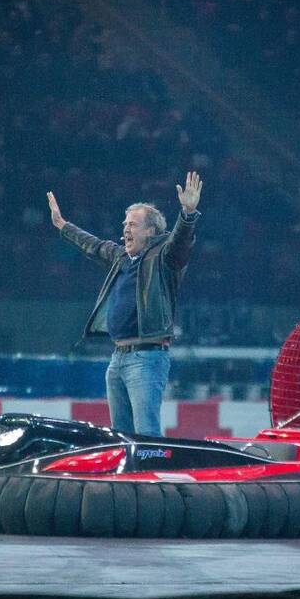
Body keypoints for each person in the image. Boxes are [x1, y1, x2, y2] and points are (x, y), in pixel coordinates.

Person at [46, 171, 204, 436]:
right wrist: (62, 225)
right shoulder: (121, 258)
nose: (125, 229)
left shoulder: (163, 257)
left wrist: (187, 215)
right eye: (125, 224)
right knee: (120, 436)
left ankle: (151, 477)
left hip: (146, 358)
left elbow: (180, 243)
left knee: (145, 433)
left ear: (151, 231)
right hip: (117, 357)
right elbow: (94, 246)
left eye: (132, 224)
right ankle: (129, 477)